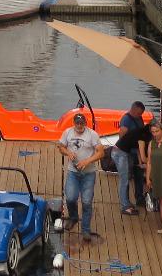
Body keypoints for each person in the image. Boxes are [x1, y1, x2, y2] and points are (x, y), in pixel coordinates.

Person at [57, 110, 105, 239]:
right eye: (77, 123)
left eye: (81, 123)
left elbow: (101, 153)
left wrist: (87, 161)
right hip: (73, 171)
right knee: (70, 198)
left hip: (88, 173)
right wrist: (68, 152)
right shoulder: (67, 132)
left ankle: (86, 229)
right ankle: (73, 217)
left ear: (85, 123)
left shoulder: (92, 135)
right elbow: (60, 146)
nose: (79, 126)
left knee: (86, 201)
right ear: (74, 123)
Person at [111, 100, 150, 216]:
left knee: (135, 175)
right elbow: (123, 138)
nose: (140, 115)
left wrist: (140, 162)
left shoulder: (140, 125)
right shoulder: (126, 120)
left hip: (127, 151)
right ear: (134, 109)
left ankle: (136, 199)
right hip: (121, 152)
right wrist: (150, 163)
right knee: (124, 179)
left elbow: (139, 150)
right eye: (139, 113)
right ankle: (125, 206)